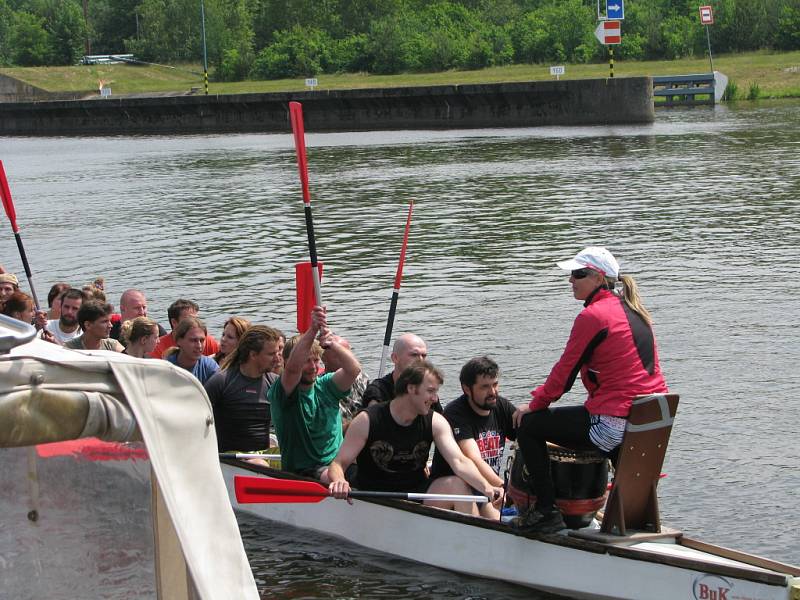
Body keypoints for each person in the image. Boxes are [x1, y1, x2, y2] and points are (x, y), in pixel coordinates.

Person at [511, 246, 669, 534]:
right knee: (587, 419)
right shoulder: (636, 311)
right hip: (650, 425)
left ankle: (546, 512)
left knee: (530, 426)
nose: (571, 280)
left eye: (577, 274)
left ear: (597, 278)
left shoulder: (594, 316)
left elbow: (563, 377)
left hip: (614, 426)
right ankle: (633, 521)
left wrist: (532, 406)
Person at [325, 361, 504, 516]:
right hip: (374, 494)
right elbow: (338, 464)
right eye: (431, 391)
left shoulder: (435, 421)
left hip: (415, 492)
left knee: (457, 484)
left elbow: (459, 461)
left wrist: (486, 487)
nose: (435, 399)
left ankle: (472, 538)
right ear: (411, 388)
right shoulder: (367, 420)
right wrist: (339, 481)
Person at [268, 306, 361, 478]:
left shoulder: (326, 385)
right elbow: (294, 369)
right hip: (307, 471)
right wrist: (312, 330)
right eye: (307, 361)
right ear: (286, 362)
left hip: (339, 465)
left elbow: (353, 370)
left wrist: (331, 342)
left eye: (315, 360)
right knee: (335, 476)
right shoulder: (283, 391)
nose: (312, 367)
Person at [429, 356, 517, 519]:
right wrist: (502, 486)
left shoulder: (501, 407)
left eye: (495, 384)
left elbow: (528, 437)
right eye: (485, 387)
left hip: (490, 488)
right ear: (467, 389)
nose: (493, 392)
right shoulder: (455, 413)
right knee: (494, 522)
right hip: (461, 486)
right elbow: (473, 458)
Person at [204, 325, 284, 460]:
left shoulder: (274, 383)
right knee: (259, 464)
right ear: (253, 354)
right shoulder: (221, 381)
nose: (277, 359)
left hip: (262, 455)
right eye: (271, 354)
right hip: (230, 458)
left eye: (278, 353)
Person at [321, 334, 369, 432]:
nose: (345, 361)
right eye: (339, 356)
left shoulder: (362, 378)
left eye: (346, 355)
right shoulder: (319, 387)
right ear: (324, 359)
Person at [151, 299, 220, 359]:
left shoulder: (206, 340)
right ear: (174, 322)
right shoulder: (157, 347)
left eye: (196, 319)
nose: (195, 324)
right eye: (189, 320)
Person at [162, 316, 219, 384]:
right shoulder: (165, 368)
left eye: (202, 340)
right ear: (179, 341)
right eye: (193, 340)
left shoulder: (209, 366)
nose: (199, 346)